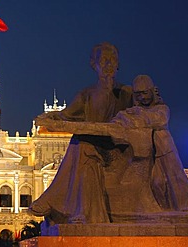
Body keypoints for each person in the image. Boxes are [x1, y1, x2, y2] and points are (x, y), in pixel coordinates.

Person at [29, 42, 133, 224]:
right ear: (95, 65)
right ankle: (76, 209)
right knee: (83, 145)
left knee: (83, 145)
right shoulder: (87, 94)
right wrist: (47, 118)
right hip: (96, 149)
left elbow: (145, 108)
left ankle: (54, 201)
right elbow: (66, 116)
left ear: (118, 64)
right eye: (104, 61)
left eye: (112, 61)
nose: (108, 65)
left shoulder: (126, 93)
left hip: (118, 150)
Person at [111, 75, 188, 212]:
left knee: (176, 179)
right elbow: (123, 118)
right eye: (138, 95)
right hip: (150, 154)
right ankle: (164, 210)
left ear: (152, 92)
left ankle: (186, 208)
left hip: (165, 152)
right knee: (157, 183)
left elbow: (156, 119)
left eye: (145, 93)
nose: (143, 98)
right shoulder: (136, 112)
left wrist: (136, 113)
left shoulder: (162, 109)